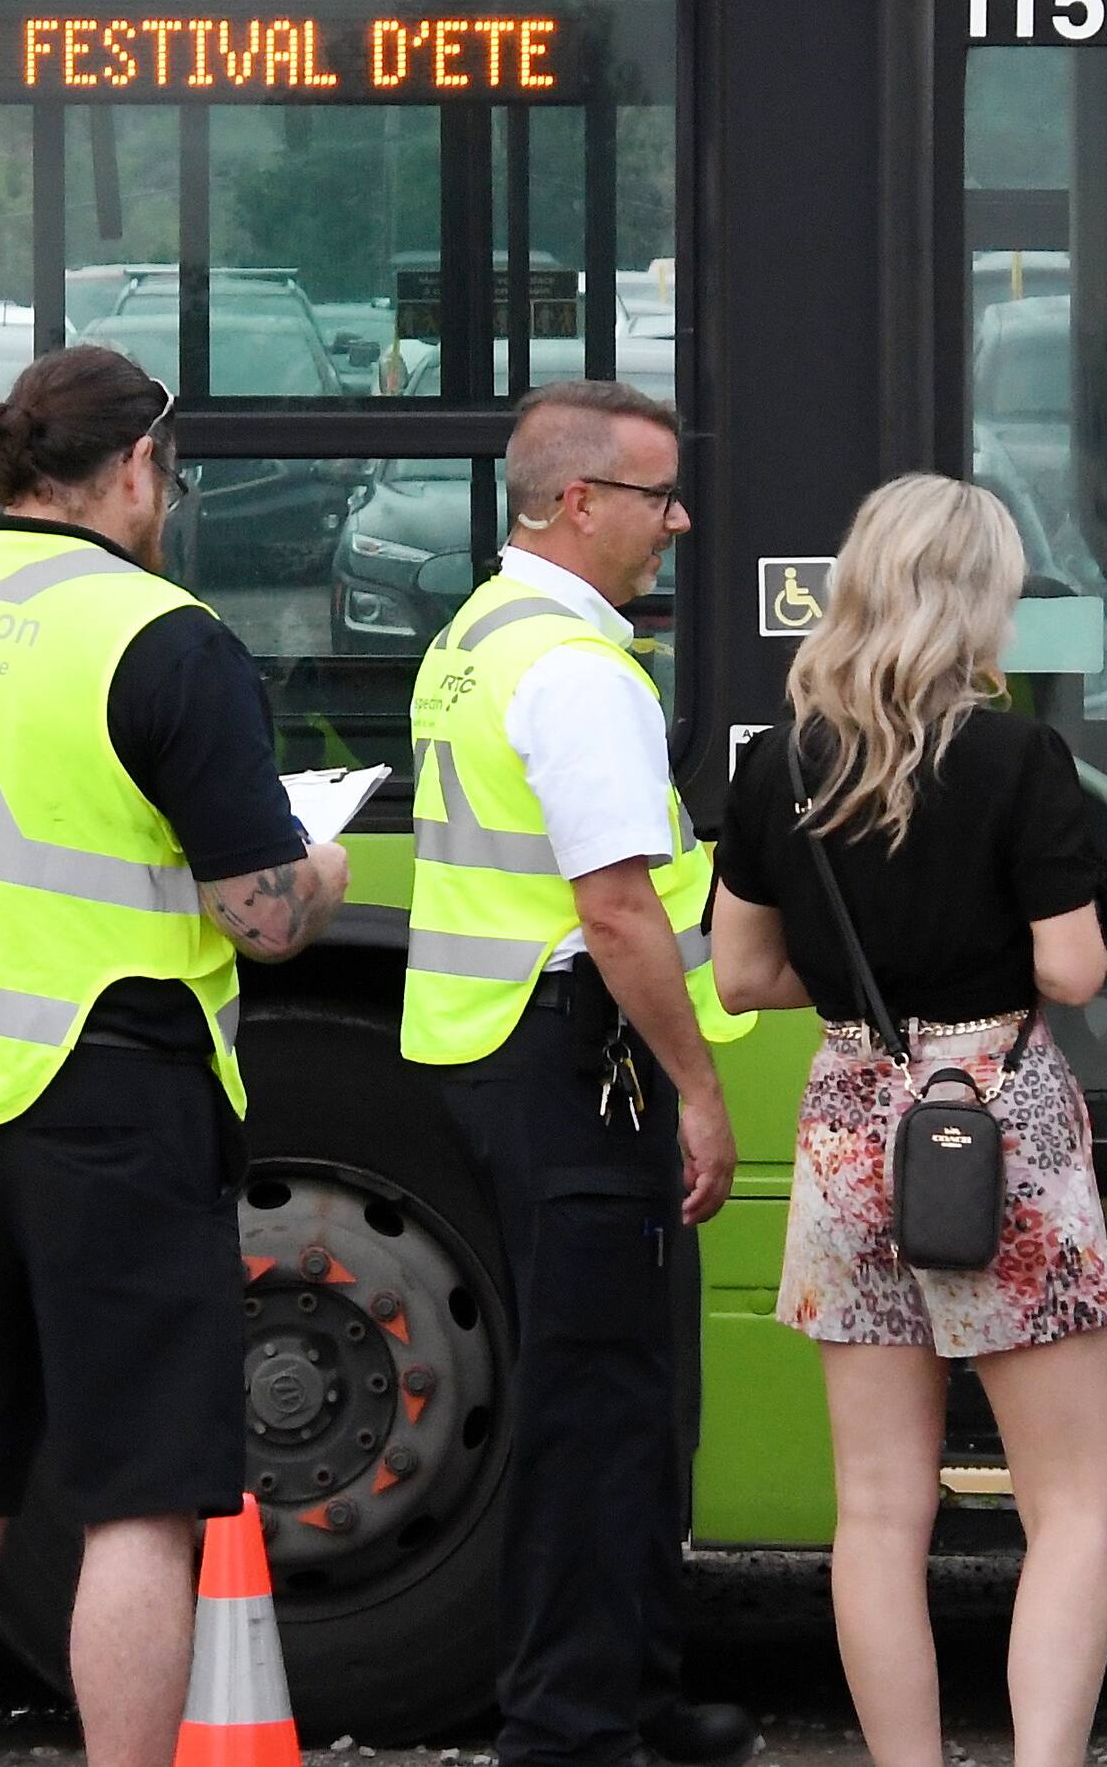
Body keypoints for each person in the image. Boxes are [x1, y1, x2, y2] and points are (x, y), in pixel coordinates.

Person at [0, 345, 350, 1767]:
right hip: (105, 1086)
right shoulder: (163, 639)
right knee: (140, 1503)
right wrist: (322, 864)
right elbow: (260, 915)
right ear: (135, 468)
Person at [706, 473, 1107, 1767]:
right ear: (981, 599)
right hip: (997, 1112)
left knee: (879, 1510)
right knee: (1069, 1510)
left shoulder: (781, 763)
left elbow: (741, 977)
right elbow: (1072, 970)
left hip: (848, 1120)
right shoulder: (1018, 756)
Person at [403, 380, 760, 1767]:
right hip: (575, 1063)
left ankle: (628, 1685)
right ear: (576, 503)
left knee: (618, 1390)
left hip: (506, 1055)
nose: (678, 521)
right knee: (600, 1405)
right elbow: (615, 908)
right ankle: (569, 1721)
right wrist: (703, 1089)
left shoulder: (477, 638)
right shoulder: (577, 673)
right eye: (658, 496)